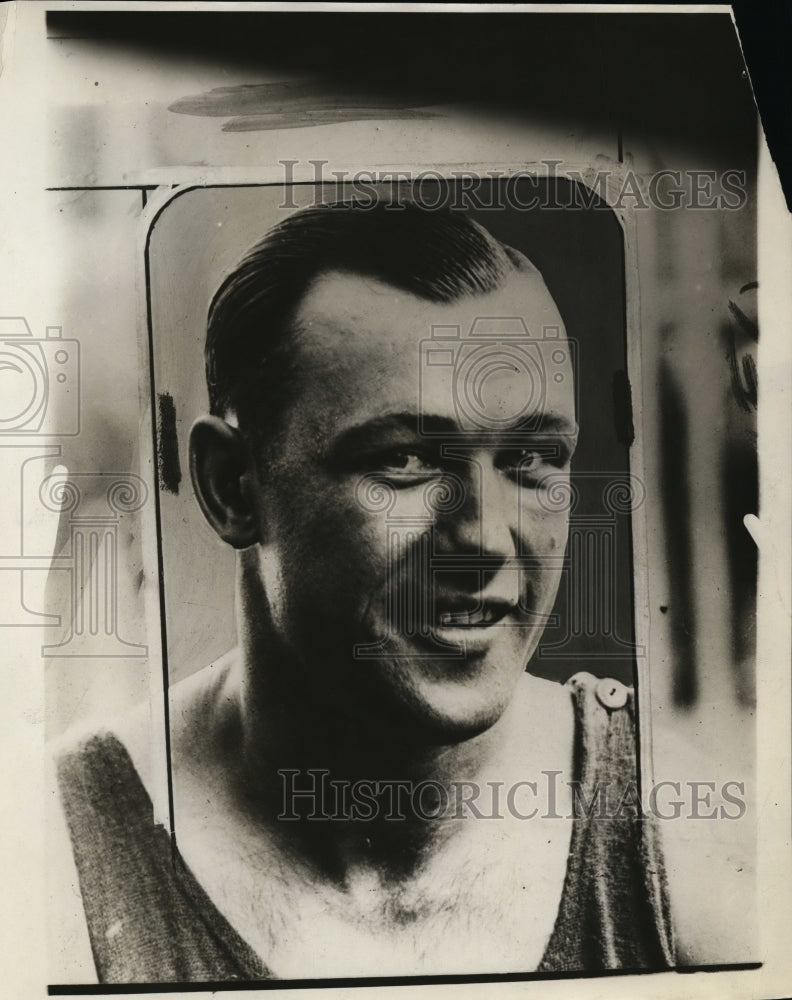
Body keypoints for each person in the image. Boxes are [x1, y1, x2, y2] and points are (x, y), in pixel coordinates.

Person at [50, 199, 678, 983]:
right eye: (406, 461)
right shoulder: (52, 849)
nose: (483, 538)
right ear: (231, 488)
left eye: (533, 458)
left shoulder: (674, 821)